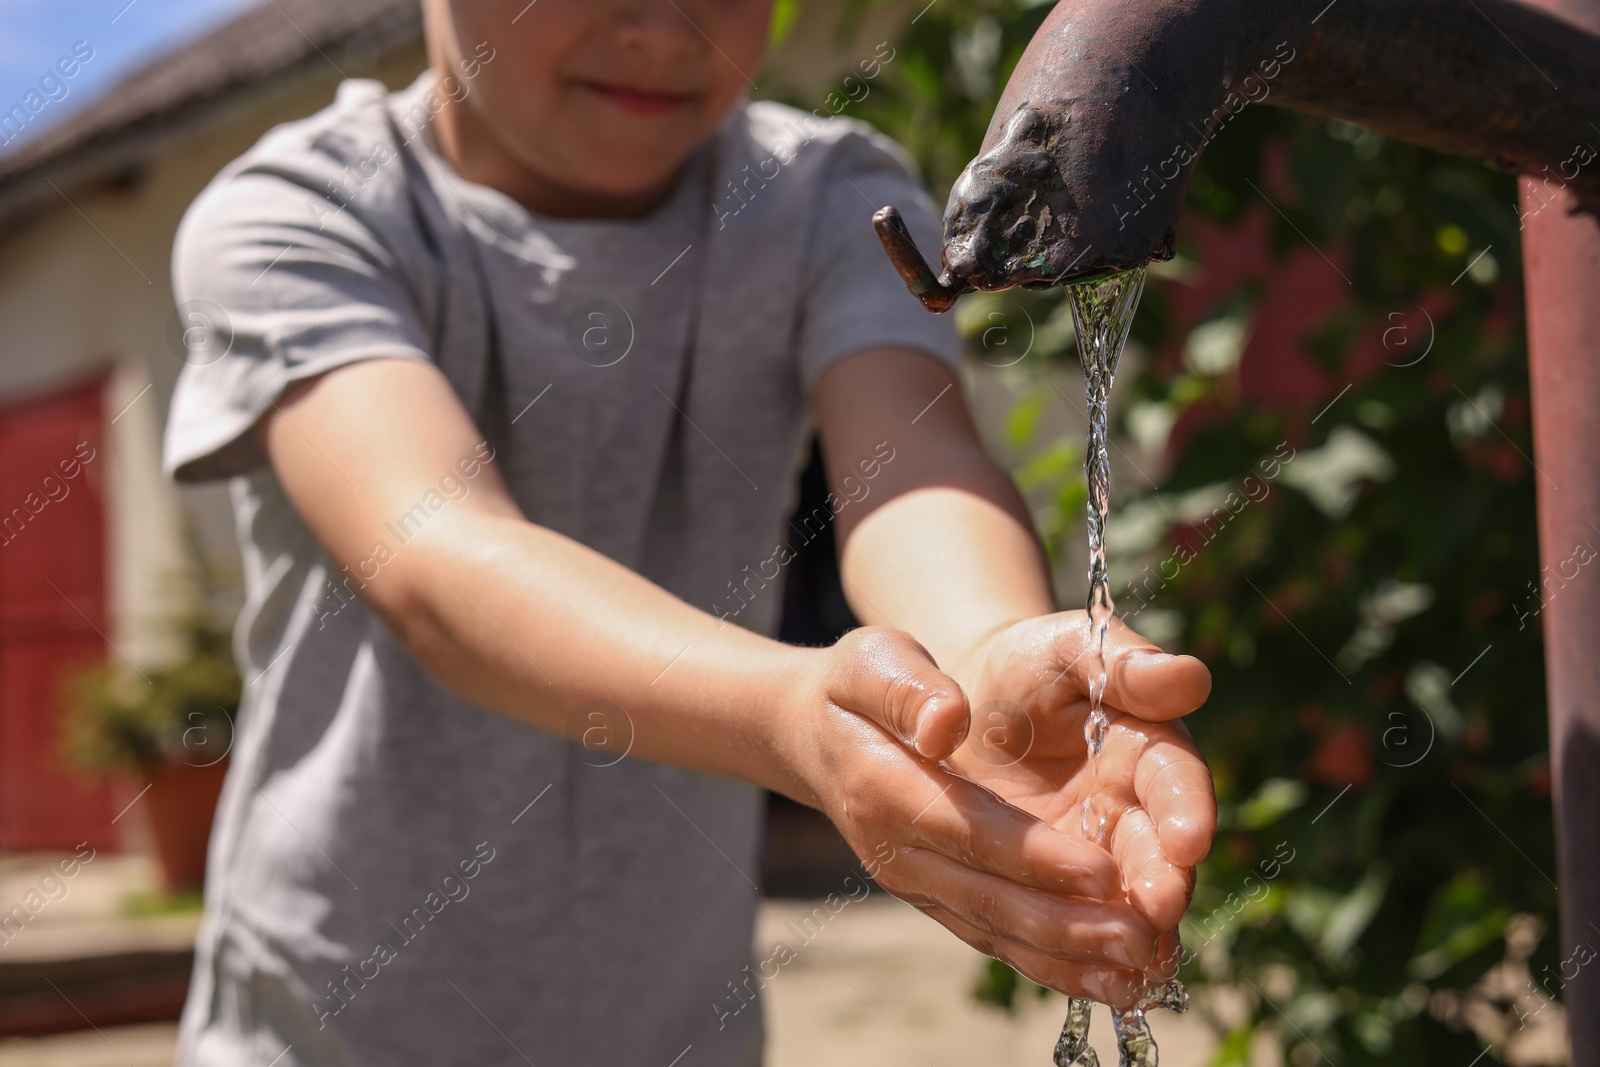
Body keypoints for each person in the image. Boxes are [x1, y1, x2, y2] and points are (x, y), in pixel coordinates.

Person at [161, 1, 1216, 1063]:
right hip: (333, 1025)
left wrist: (982, 648)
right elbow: (433, 555)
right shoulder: (300, 211)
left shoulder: (826, 199)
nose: (665, 30)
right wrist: (794, 714)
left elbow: (911, 462)